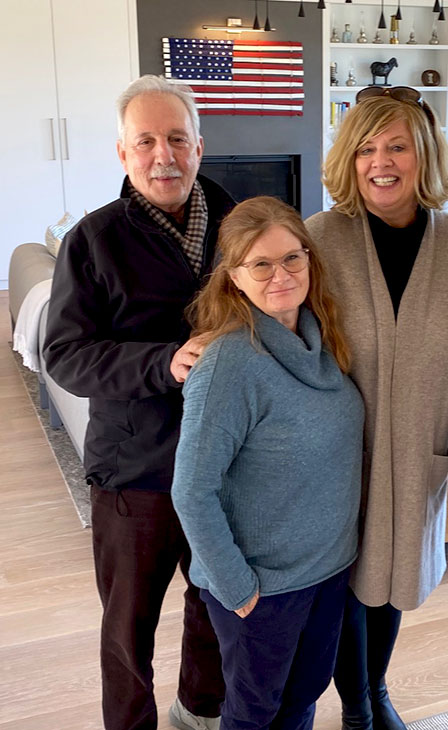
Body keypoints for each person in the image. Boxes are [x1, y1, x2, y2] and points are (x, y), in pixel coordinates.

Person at [43, 75, 235, 730]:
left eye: (177, 138)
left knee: (214, 606)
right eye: (146, 141)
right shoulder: (92, 240)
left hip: (224, 469)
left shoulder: (239, 227)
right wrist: (164, 361)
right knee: (128, 631)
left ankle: (200, 713)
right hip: (136, 474)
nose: (165, 155)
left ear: (200, 148)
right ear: (123, 154)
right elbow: (64, 356)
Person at [306, 86, 448, 730]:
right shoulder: (316, 242)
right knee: (344, 586)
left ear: (425, 155)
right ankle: (358, 706)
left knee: (392, 582)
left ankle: (375, 688)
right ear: (349, 159)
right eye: (366, 148)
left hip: (418, 449)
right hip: (333, 458)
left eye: (397, 146)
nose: (381, 161)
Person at [172, 196, 364, 730]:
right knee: (254, 715)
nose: (280, 275)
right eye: (260, 264)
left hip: (326, 571)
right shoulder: (228, 364)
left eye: (292, 258)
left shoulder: (321, 337)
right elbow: (191, 491)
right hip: (262, 587)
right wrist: (238, 589)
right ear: (233, 276)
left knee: (303, 698)